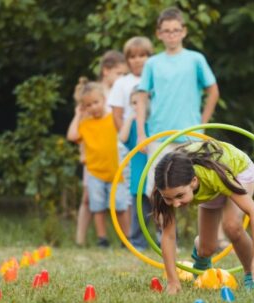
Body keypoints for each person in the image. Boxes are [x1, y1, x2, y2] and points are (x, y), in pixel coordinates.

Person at [152, 140, 254, 295]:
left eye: (180, 196)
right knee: (207, 248)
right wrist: (173, 281)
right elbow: (168, 236)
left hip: (237, 171)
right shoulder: (167, 187)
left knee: (232, 226)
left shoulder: (213, 175)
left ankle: (251, 275)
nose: (175, 204)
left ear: (193, 182)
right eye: (169, 198)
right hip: (209, 186)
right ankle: (201, 258)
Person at [136, 6, 219, 198]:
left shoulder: (195, 59)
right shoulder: (152, 63)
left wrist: (202, 124)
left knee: (200, 187)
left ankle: (205, 228)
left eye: (176, 30)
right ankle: (165, 229)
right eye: (167, 31)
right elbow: (142, 98)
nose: (171, 35)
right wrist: (141, 134)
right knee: (157, 190)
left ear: (184, 31)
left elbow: (213, 91)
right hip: (159, 135)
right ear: (159, 34)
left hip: (191, 135)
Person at [70, 51, 127, 246]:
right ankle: (93, 240)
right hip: (94, 166)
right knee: (94, 203)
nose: (122, 78)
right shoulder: (89, 105)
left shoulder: (112, 111)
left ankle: (126, 239)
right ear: (106, 71)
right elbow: (74, 135)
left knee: (120, 205)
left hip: (115, 165)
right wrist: (79, 114)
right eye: (119, 73)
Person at [119, 87, 151, 250]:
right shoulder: (132, 127)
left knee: (162, 211)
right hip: (139, 177)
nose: (136, 106)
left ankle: (164, 240)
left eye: (140, 103)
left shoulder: (154, 123)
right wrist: (130, 118)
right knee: (139, 214)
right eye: (133, 103)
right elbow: (122, 138)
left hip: (154, 177)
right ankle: (138, 242)